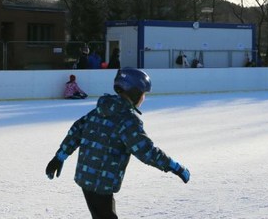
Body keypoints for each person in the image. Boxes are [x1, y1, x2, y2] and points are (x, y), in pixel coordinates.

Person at [46, 68, 190, 218]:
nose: (144, 98)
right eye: (143, 93)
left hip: (86, 178)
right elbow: (147, 151)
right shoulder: (127, 120)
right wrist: (174, 166)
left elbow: (75, 132)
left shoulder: (99, 111)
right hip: (101, 184)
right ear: (134, 92)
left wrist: (59, 157)